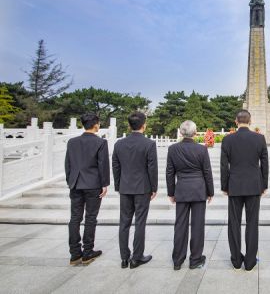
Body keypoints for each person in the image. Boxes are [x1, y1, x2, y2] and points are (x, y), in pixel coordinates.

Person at [221, 109, 268, 271]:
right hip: (254, 185)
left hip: (234, 185)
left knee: (234, 222)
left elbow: (223, 166)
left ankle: (236, 260)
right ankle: (249, 262)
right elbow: (265, 164)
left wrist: (224, 186)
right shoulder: (259, 138)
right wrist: (264, 185)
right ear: (250, 121)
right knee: (252, 223)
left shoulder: (227, 140)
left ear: (236, 121)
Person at [167, 120, 214, 271]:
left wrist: (171, 192)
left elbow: (170, 172)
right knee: (197, 225)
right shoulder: (201, 149)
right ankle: (195, 259)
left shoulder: (173, 149)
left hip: (181, 189)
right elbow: (207, 171)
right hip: (198, 190)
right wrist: (210, 191)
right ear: (195, 132)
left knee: (180, 225)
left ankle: (177, 260)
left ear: (181, 132)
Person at [112, 112, 158, 269]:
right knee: (140, 222)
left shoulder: (119, 144)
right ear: (144, 125)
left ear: (129, 125)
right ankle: (137, 257)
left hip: (125, 187)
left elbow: (116, 167)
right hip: (142, 187)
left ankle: (124, 258)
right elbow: (152, 168)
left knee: (124, 222)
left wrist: (118, 185)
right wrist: (154, 188)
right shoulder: (149, 144)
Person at [65, 113, 110, 266]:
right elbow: (103, 165)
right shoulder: (100, 142)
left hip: (76, 183)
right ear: (96, 124)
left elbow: (68, 165)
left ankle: (74, 253)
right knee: (90, 218)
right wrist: (105, 184)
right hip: (93, 184)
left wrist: (70, 181)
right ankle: (88, 251)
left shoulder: (72, 142)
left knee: (75, 218)